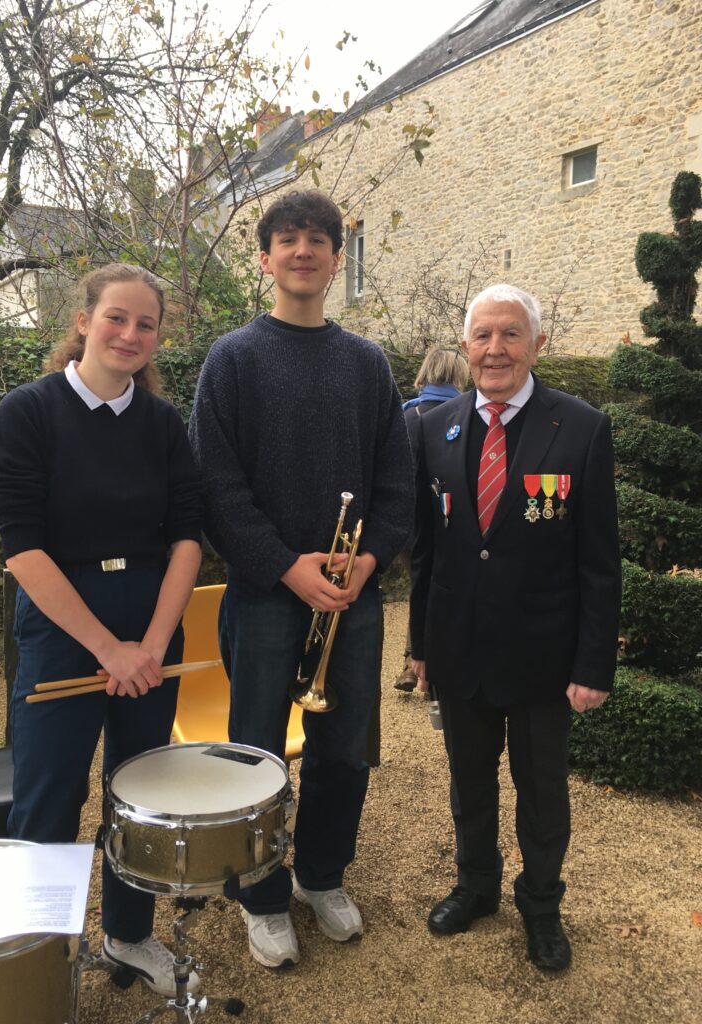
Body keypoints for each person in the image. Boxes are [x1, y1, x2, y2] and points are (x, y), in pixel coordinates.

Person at [189, 190, 412, 969]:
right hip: (264, 593)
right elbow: (216, 487)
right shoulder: (233, 358)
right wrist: (288, 566)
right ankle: (259, 894)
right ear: (265, 258)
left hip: (352, 595)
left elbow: (396, 483)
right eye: (289, 240)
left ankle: (321, 874)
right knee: (254, 751)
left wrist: (366, 562)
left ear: (336, 255)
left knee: (345, 748)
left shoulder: (367, 363)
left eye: (320, 239)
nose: (305, 251)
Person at [0, 263, 203, 997]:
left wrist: (150, 644)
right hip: (60, 625)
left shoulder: (164, 424)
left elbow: (186, 540)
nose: (131, 334)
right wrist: (108, 649)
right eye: (117, 318)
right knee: (47, 794)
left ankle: (129, 936)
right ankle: (35, 960)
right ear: (83, 320)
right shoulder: (29, 412)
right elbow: (24, 549)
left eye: (146, 324)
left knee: (137, 792)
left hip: (152, 625)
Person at [409, 283, 621, 971]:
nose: (494, 349)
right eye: (482, 335)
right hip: (459, 649)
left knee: (542, 792)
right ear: (465, 345)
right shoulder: (433, 430)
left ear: (537, 345)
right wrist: (419, 647)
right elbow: (428, 552)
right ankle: (476, 886)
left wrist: (593, 665)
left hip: (543, 657)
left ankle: (541, 906)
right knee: (469, 782)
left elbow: (599, 561)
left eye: (509, 335)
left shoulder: (582, 427)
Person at [393, 346, 468, 692]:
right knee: (447, 592)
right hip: (455, 526)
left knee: (421, 586)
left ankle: (415, 664)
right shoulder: (466, 416)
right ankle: (425, 666)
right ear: (458, 376)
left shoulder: (404, 417)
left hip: (406, 526)